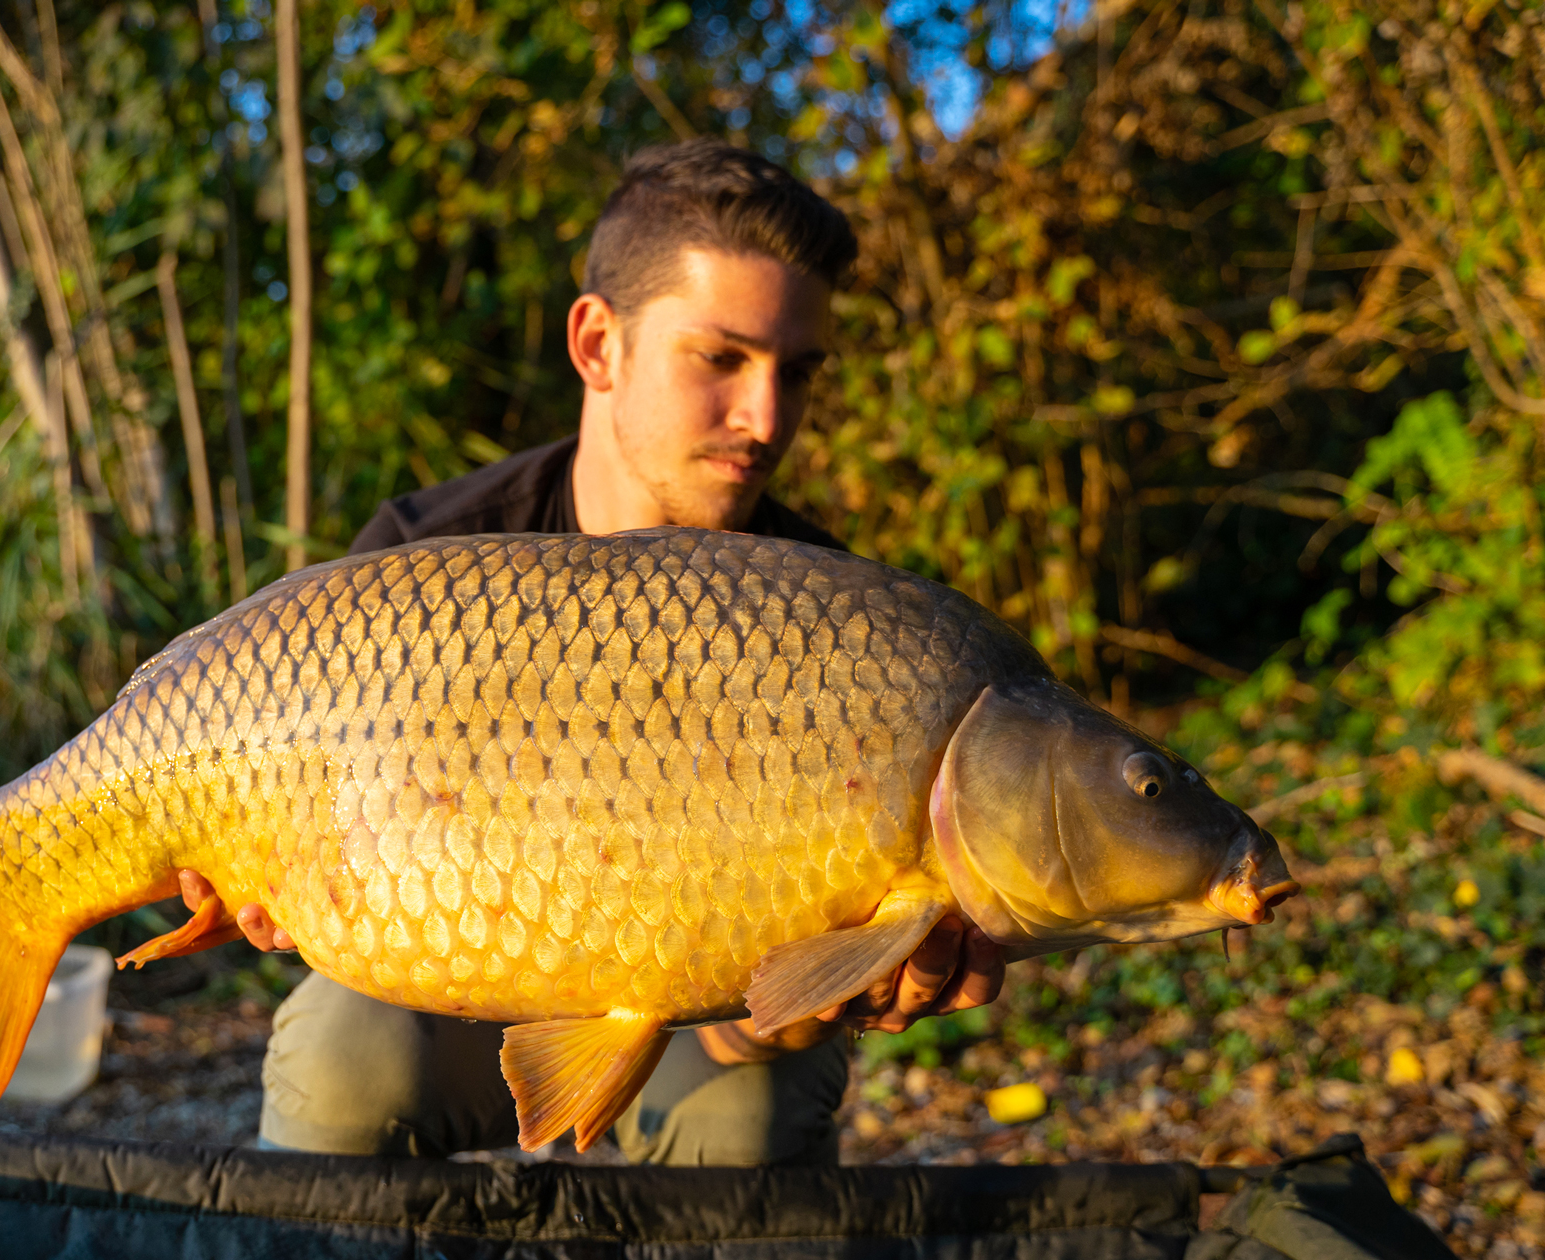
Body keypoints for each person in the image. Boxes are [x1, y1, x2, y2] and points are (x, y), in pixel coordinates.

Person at [181, 139, 1008, 1165]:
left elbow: (747, 1019)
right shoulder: (418, 562)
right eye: (721, 358)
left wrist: (805, 1005)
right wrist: (263, 881)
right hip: (453, 984)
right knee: (344, 1052)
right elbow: (296, 848)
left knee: (750, 1111)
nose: (765, 418)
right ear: (597, 344)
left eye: (795, 373)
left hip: (686, 1026)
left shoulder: (836, 625)